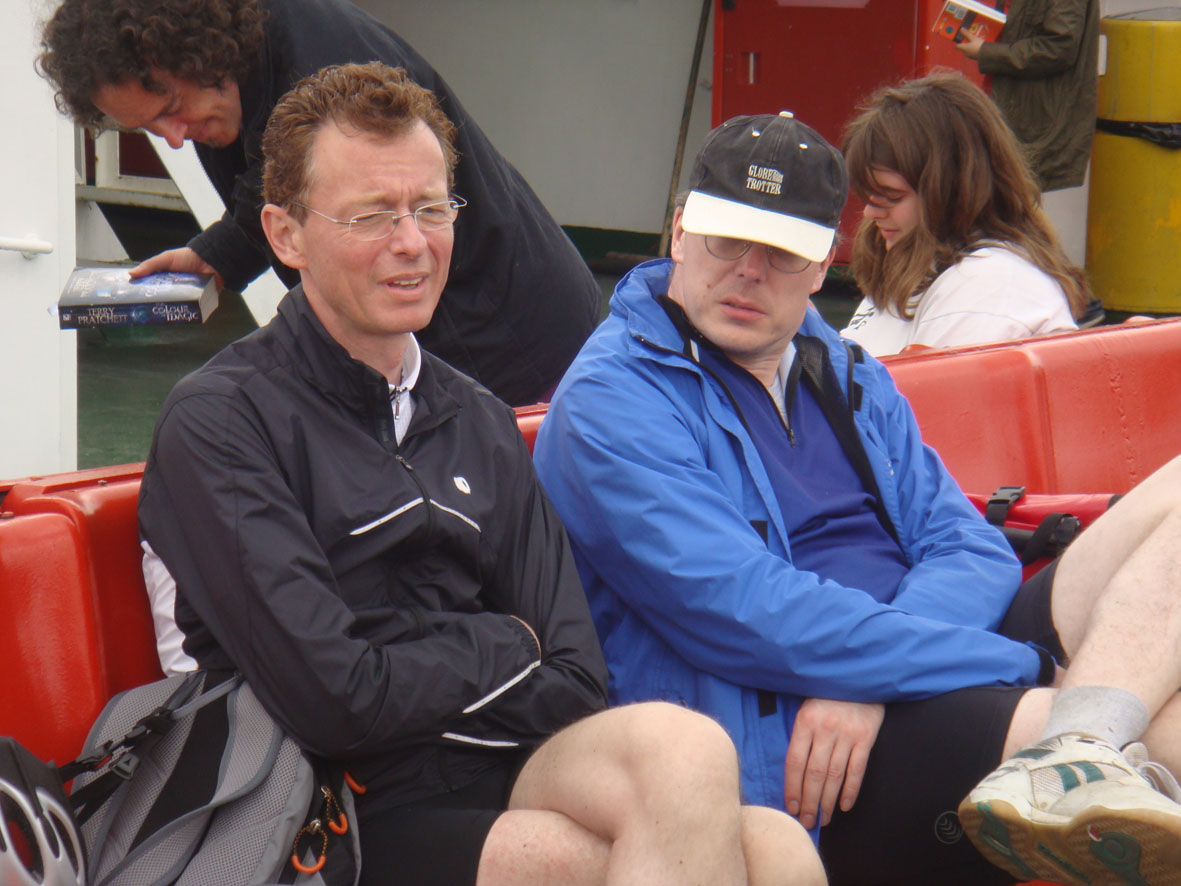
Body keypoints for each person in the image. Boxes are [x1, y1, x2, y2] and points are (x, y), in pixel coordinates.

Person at [135, 62, 825, 886]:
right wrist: (502, 642)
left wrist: (429, 665)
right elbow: (335, 703)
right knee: (607, 862)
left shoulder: (476, 418)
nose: (411, 243)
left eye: (431, 209)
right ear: (285, 236)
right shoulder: (222, 421)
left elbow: (575, 676)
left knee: (741, 807)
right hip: (328, 804)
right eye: (372, 215)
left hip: (496, 763)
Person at [533, 109, 1181, 885]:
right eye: (726, 239)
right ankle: (1081, 734)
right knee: (1157, 736)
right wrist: (1014, 666)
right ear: (679, 232)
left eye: (781, 252)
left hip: (873, 674)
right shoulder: (612, 402)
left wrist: (872, 677)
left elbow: (968, 545)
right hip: (794, 730)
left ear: (822, 267)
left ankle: (1085, 734)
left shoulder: (843, 371)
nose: (748, 270)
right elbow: (751, 614)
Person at [37, 0, 598, 406]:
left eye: (171, 110)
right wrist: (213, 256)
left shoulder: (327, 61)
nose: (176, 138)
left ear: (195, 51)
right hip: (430, 346)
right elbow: (278, 193)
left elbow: (350, 204)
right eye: (151, 129)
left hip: (512, 337)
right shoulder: (227, 81)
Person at [839, 73, 1091, 357]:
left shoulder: (988, 283)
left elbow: (920, 384)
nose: (870, 212)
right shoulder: (924, 264)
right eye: (868, 196)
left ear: (952, 192)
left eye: (891, 196)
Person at [956, 0, 1099, 194]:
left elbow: (1058, 48)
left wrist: (987, 53)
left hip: (1036, 118)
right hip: (1015, 107)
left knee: (1016, 200)